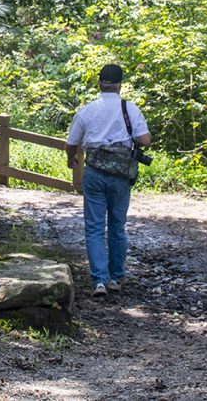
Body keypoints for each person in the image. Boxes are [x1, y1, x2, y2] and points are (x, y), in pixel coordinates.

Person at [66, 63, 150, 297]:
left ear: (100, 84)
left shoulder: (87, 110)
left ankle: (99, 281)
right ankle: (116, 277)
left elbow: (71, 143)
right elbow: (144, 140)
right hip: (121, 174)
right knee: (117, 225)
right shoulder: (129, 109)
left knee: (94, 227)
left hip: (94, 171)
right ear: (120, 84)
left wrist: (70, 159)